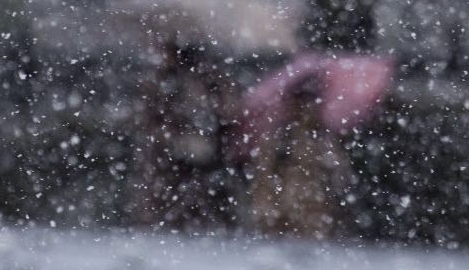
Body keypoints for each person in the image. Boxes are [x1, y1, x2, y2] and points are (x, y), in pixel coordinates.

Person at [131, 38, 240, 230]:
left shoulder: (205, 79)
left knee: (188, 201)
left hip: (201, 156)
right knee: (179, 201)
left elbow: (229, 111)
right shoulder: (171, 81)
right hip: (182, 156)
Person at [247, 74, 353, 240]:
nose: (307, 109)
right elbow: (265, 170)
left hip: (310, 208)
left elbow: (335, 171)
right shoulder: (281, 133)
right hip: (285, 205)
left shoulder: (322, 136)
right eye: (303, 103)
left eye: (310, 103)